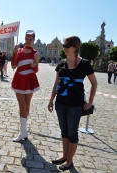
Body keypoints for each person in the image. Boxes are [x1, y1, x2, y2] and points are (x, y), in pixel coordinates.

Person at [48, 36, 97, 171]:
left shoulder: (85, 64)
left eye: (66, 46)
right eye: (64, 46)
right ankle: (64, 156)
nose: (64, 48)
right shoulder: (61, 63)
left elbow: (94, 83)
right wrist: (51, 100)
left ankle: (69, 161)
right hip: (60, 103)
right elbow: (56, 83)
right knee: (64, 131)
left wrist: (90, 101)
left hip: (75, 105)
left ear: (75, 47)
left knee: (72, 133)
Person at [11, 30, 40, 142]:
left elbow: (36, 69)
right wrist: (14, 53)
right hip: (19, 79)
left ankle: (24, 130)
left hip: (29, 80)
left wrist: (34, 66)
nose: (28, 41)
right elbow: (13, 66)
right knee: (22, 106)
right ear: (24, 39)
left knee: (27, 106)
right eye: (27, 39)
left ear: (33, 40)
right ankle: (22, 132)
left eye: (30, 39)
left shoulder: (36, 53)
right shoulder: (19, 51)